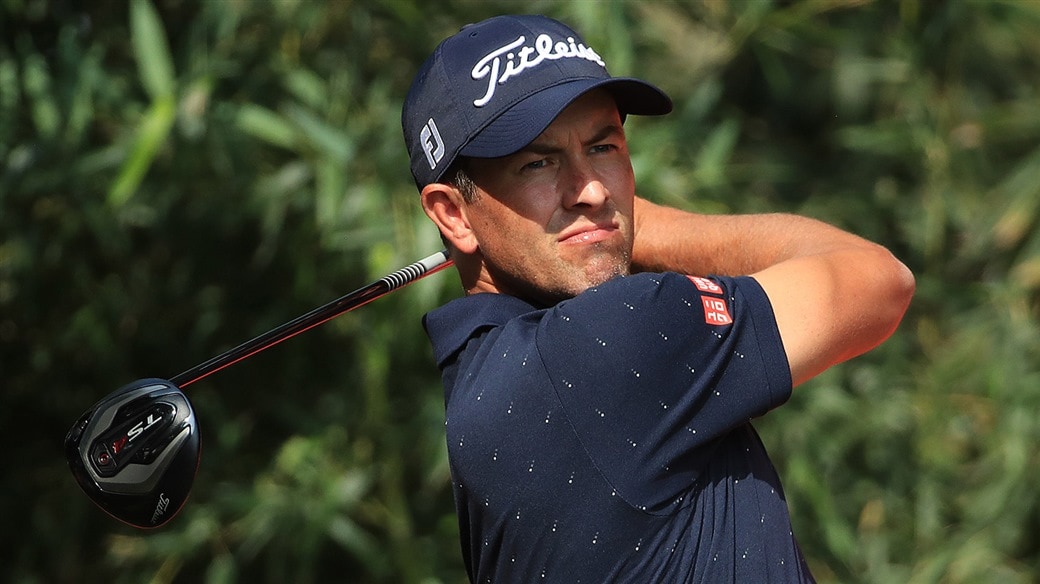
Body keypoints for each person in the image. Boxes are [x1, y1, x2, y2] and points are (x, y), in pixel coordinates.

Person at [401, 14, 914, 583]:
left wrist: (590, 232)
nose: (592, 190)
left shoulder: (481, 386)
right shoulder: (611, 338)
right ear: (453, 214)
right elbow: (880, 281)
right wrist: (637, 227)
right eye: (538, 163)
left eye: (603, 147)